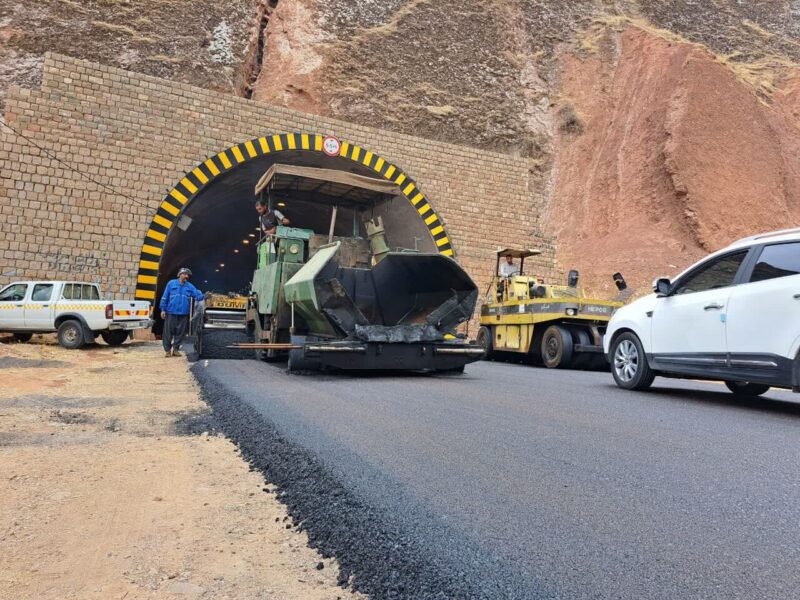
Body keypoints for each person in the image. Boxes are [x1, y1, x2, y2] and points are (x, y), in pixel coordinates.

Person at [159, 267, 204, 357]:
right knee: (168, 332)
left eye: (188, 275)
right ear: (180, 274)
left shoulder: (189, 286)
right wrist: (163, 309)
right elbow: (165, 297)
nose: (187, 276)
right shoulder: (171, 283)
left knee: (180, 333)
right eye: (185, 274)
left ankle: (175, 349)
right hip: (171, 312)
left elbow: (197, 296)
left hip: (183, 313)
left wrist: (204, 296)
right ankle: (167, 351)